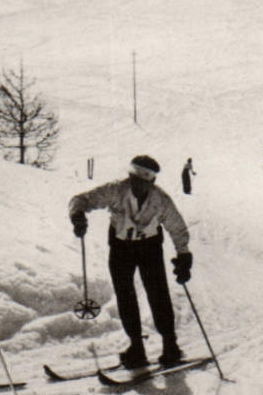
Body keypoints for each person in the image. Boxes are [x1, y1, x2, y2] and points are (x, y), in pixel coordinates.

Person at [69, 156, 192, 369]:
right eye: (133, 180)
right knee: (125, 295)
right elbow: (81, 200)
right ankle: (136, 347)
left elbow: (177, 226)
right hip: (121, 247)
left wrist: (183, 255)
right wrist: (78, 215)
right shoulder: (116, 190)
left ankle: (170, 344)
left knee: (158, 293)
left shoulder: (160, 199)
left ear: (151, 183)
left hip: (149, 247)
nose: (137, 186)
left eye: (142, 183)